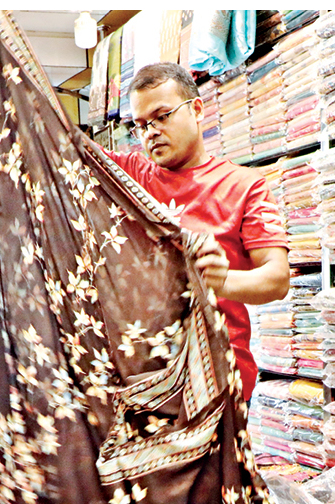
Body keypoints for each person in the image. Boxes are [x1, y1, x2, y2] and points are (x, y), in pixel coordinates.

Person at [107, 61, 291, 401]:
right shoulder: (129, 177)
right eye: (141, 125)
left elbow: (277, 279)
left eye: (162, 116)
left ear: (196, 109)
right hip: (143, 379)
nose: (151, 132)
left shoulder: (243, 186)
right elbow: (62, 150)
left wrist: (223, 281)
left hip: (218, 378)